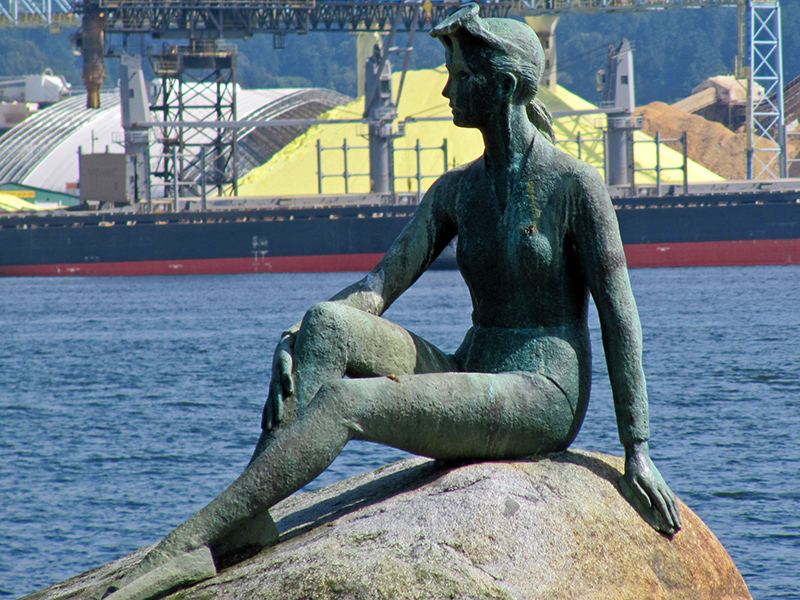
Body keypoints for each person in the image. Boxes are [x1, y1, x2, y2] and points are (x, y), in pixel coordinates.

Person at [103, 5, 680, 598]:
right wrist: (296, 338)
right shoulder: (458, 190)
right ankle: (251, 509)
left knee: (345, 403)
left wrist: (636, 448)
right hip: (472, 366)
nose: (445, 88)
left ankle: (192, 541)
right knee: (328, 323)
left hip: (540, 392)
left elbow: (620, 317)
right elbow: (376, 289)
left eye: (458, 75)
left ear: (502, 86)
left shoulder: (574, 184)